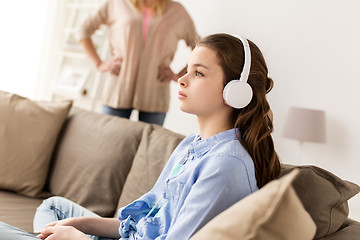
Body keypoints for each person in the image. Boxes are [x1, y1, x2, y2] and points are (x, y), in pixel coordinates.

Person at [0, 33, 281, 239]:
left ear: (235, 92)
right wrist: (82, 226)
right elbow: (140, 220)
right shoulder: (189, 145)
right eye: (187, 69)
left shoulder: (226, 166)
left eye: (198, 73)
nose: (181, 79)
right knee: (55, 208)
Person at [78, 0, 199, 126]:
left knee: (149, 144)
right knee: (109, 142)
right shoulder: (116, 3)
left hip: (155, 95)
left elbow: (198, 45)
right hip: (117, 91)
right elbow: (83, 30)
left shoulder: (177, 11)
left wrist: (180, 75)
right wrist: (99, 64)